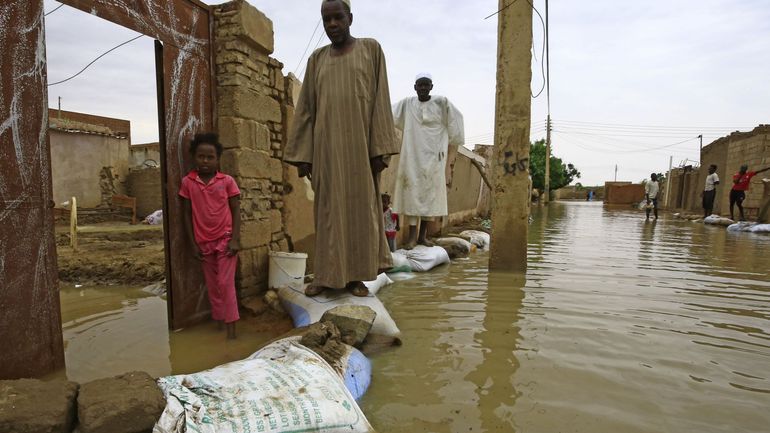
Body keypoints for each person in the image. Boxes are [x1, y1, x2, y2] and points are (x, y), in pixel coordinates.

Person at [284, 0, 399, 297]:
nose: (332, 24)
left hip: (361, 151)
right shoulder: (316, 59)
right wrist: (302, 156)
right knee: (328, 215)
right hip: (326, 152)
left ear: (350, 18)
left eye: (338, 18)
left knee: (360, 214)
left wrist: (380, 151)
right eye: (326, 19)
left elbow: (380, 100)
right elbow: (306, 109)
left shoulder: (371, 50)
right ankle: (324, 276)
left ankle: (356, 278)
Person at [179, 133, 241, 339]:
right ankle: (219, 325)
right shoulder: (188, 182)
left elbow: (236, 210)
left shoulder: (227, 181)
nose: (205, 161)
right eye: (201, 156)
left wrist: (235, 238)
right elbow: (186, 214)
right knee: (213, 286)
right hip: (203, 242)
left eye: (210, 157)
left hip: (225, 239)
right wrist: (193, 243)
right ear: (194, 158)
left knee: (225, 284)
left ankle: (232, 332)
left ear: (217, 159)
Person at [392, 73, 464, 248]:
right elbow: (387, 112)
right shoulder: (407, 104)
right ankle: (410, 237)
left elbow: (457, 120)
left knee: (429, 197)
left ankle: (422, 236)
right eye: (420, 85)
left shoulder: (442, 103)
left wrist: (454, 140)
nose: (423, 88)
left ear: (431, 87)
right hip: (412, 156)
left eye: (426, 85)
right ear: (415, 87)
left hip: (434, 158)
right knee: (411, 195)